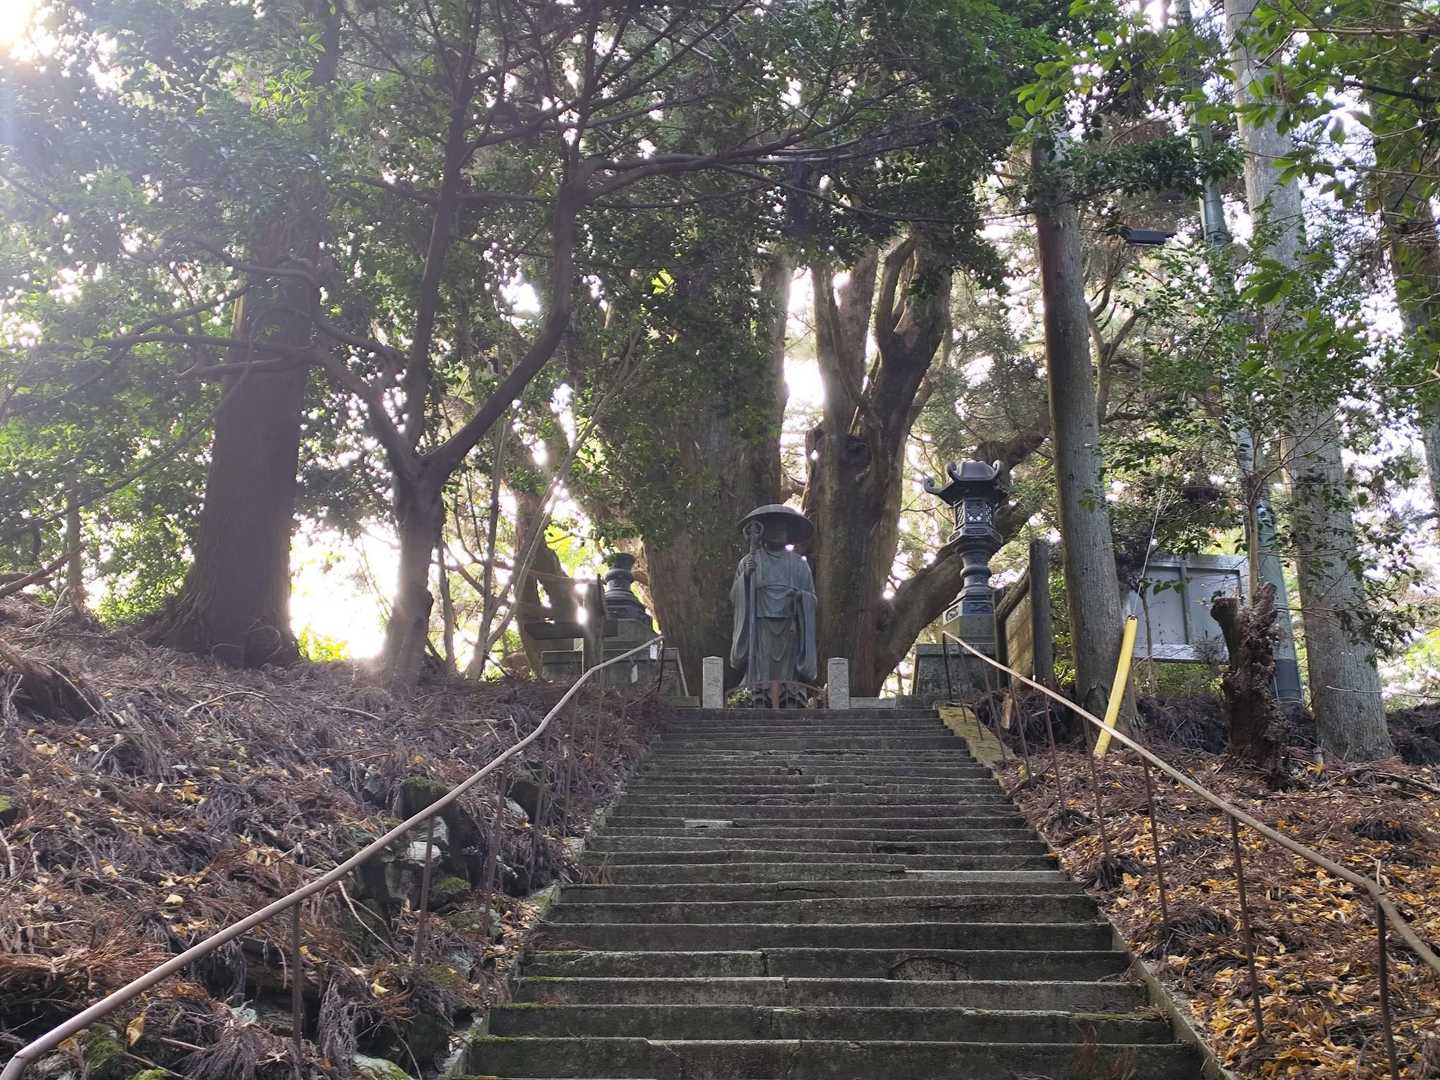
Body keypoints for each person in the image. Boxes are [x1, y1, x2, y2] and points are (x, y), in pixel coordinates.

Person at [729, 504, 818, 707]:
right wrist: (746, 577)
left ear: (789, 533)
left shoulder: (799, 564)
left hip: (790, 625)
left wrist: (800, 597)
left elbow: (812, 598)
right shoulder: (749, 561)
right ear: (763, 532)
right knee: (761, 665)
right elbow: (735, 597)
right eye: (773, 528)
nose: (778, 532)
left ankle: (790, 698)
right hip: (760, 623)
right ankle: (758, 697)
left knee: (787, 669)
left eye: (782, 528)